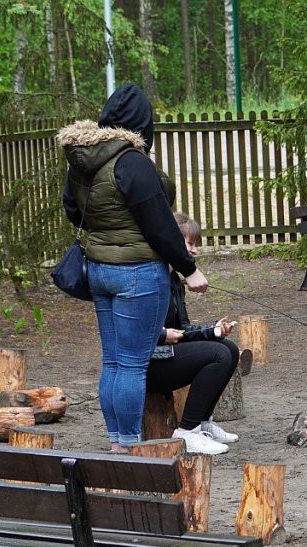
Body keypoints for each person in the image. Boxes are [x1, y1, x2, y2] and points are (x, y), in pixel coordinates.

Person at [57, 83, 208, 453]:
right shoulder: (132, 162)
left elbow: (73, 211)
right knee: (132, 365)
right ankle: (128, 447)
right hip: (138, 273)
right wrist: (189, 269)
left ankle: (116, 442)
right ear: (143, 123)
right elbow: (159, 223)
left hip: (100, 271)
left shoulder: (83, 159)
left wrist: (108, 233)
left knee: (112, 361)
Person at [146, 212, 240, 455]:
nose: (195, 250)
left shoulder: (174, 279)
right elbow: (136, 331)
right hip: (146, 365)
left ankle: (203, 422)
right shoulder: (148, 278)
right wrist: (162, 334)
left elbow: (183, 328)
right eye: (190, 244)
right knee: (218, 355)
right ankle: (187, 432)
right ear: (171, 242)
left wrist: (212, 330)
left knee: (228, 348)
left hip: (165, 355)